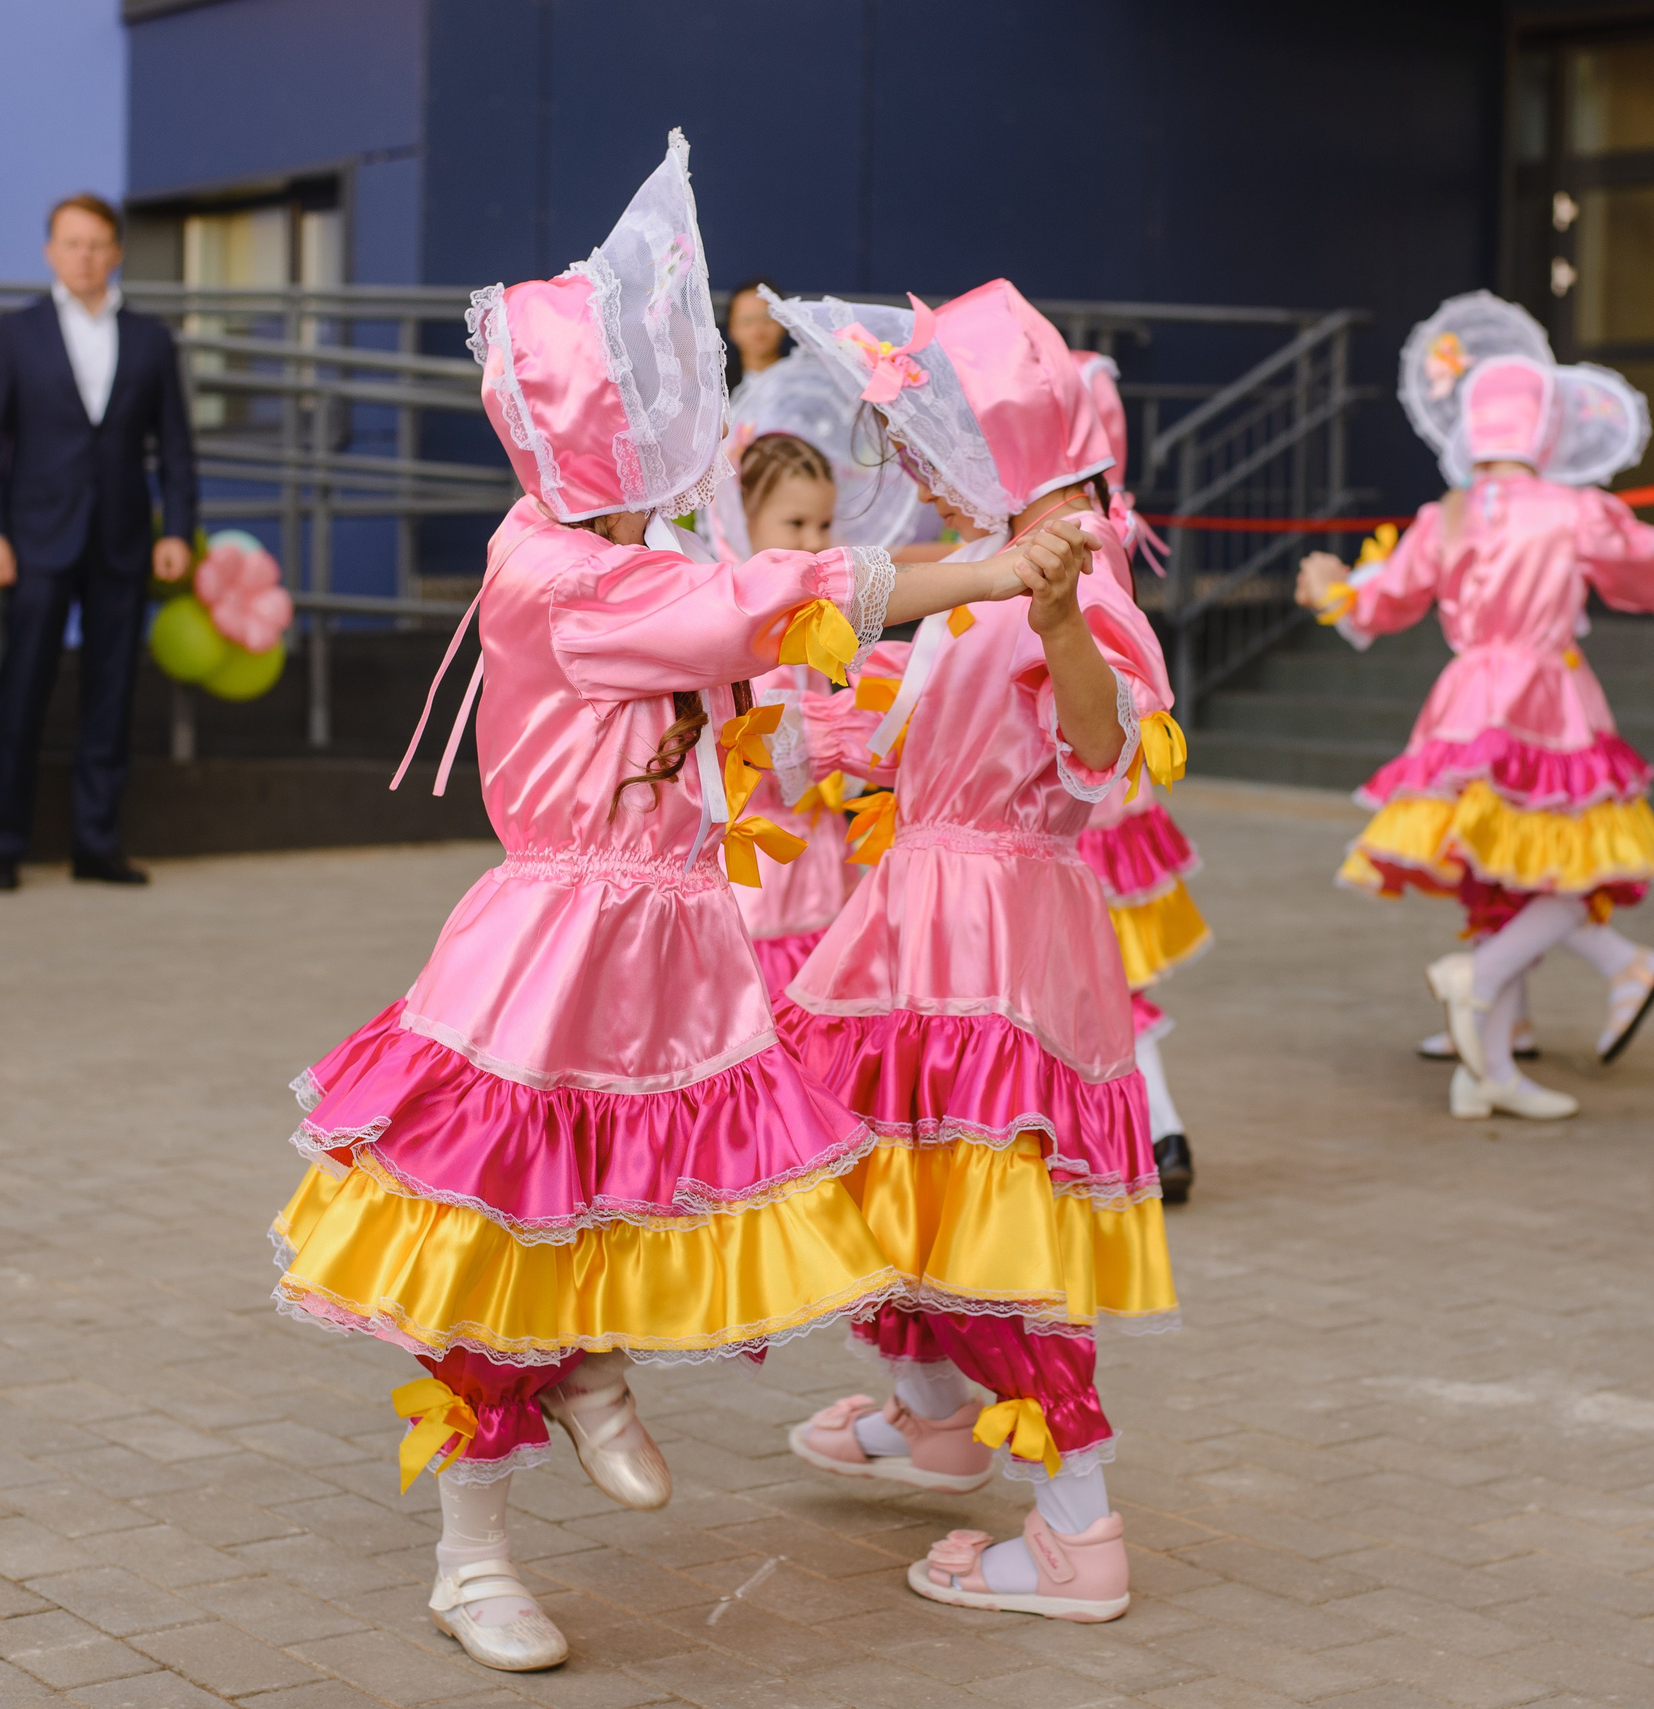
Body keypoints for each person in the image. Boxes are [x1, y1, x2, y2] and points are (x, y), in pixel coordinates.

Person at [265, 135, 1094, 1673]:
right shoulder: (571, 574)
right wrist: (985, 568)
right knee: (498, 1230)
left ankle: (582, 1369)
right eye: (656, 400)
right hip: (559, 946)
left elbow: (753, 628)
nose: (679, 419)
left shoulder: (620, 548)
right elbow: (763, 606)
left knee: (638, 1190)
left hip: (674, 942)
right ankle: (473, 1554)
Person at [770, 280, 1178, 1623]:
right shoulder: (990, 562)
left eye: (940, 439)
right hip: (922, 926)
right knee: (892, 1188)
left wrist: (1061, 622)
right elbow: (880, 741)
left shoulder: (1068, 568)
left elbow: (1105, 743)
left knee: (990, 1219)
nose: (920, 464)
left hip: (995, 943)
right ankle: (937, 1412)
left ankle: (1075, 1521)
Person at [1295, 292, 1654, 1120]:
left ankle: (1489, 1060)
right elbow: (1646, 558)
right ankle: (1480, 985)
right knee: (1569, 858)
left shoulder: (1444, 514)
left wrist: (1334, 592)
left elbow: (1382, 595)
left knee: (1497, 856)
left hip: (1463, 696)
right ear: (1545, 430)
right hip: (1547, 696)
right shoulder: (1571, 509)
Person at [0, 193, 197, 890]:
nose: (85, 257)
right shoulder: (15, 334)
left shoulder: (152, 338)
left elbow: (176, 448)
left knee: (111, 694)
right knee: (22, 691)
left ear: (117, 252)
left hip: (121, 540)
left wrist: (178, 528)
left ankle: (96, 844)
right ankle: (0, 846)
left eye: (97, 244)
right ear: (49, 252)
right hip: (35, 540)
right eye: (72, 244)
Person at [701, 356, 924, 990]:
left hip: (816, 866)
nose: (812, 541)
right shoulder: (730, 628)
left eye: (823, 525)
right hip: (759, 882)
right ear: (741, 521)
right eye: (793, 524)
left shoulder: (810, 624)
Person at [1073, 350, 1205, 1202]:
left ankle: (1156, 1130)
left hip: (1074, 791)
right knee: (1111, 968)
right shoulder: (1104, 525)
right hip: (1109, 788)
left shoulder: (1065, 538)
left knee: (1104, 970)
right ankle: (1149, 1128)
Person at [723, 275, 787, 396]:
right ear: (731, 329)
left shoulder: (803, 381)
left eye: (767, 319)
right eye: (747, 321)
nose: (758, 330)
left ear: (783, 323)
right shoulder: (718, 388)